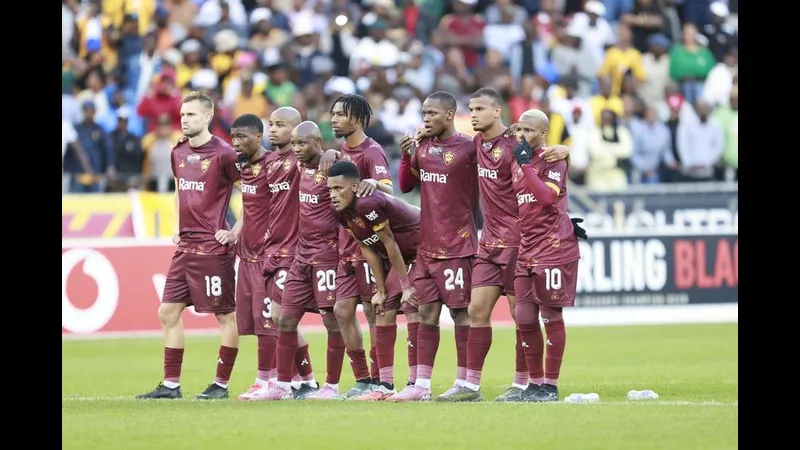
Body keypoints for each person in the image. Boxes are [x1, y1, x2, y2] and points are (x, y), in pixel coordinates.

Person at [438, 87, 573, 402]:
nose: (473, 115)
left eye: (479, 109)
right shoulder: (476, 143)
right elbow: (447, 137)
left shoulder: (516, 143)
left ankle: (524, 383)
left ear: (497, 111)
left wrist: (564, 150)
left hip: (519, 241)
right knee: (476, 309)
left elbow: (543, 158)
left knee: (521, 315)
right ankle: (470, 385)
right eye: (471, 109)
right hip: (489, 243)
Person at [136, 91, 240, 400]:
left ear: (207, 117)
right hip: (186, 247)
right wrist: (177, 226)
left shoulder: (224, 153)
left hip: (213, 248)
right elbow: (180, 189)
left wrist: (235, 232)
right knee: (167, 312)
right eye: (182, 115)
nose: (184, 120)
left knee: (225, 317)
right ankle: (171, 386)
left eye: (191, 114)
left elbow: (249, 192)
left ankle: (220, 385)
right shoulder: (178, 150)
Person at [220, 110, 319, 401]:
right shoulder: (265, 163)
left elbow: (322, 159)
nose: (273, 129)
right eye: (271, 125)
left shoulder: (299, 162)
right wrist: (236, 232)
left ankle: (268, 381)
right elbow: (254, 206)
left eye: (280, 125)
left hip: (283, 253)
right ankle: (305, 380)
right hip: (255, 253)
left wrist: (329, 154)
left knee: (274, 319)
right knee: (276, 321)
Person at [390, 91, 479, 402]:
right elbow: (406, 185)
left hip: (458, 245)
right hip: (427, 247)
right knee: (426, 312)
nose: (426, 118)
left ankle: (467, 383)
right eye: (424, 113)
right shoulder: (424, 147)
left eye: (432, 113)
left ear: (450, 114)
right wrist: (406, 155)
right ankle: (422, 385)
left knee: (460, 313)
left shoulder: (469, 148)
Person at [258, 121, 346, 401]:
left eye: (302, 143)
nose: (296, 148)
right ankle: (283, 386)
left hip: (327, 257)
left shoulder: (333, 168)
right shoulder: (298, 167)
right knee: (285, 319)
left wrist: (335, 153)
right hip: (301, 256)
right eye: (294, 143)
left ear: (318, 142)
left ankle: (331, 386)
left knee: (331, 322)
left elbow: (352, 174)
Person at [327, 161, 421, 401]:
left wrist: (405, 285)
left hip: (422, 246)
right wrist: (380, 289)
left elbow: (389, 242)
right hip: (401, 253)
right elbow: (366, 246)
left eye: (338, 189)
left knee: (412, 308)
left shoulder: (367, 203)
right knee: (383, 308)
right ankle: (386, 386)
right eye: (330, 189)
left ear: (355, 186)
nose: (333, 195)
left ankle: (416, 384)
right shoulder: (340, 210)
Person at [323, 94, 396, 398]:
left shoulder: (372, 151)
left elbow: (389, 189)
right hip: (346, 246)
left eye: (340, 114)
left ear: (357, 119)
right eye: (333, 114)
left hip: (369, 247)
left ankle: (381, 380)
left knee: (372, 311)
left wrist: (375, 184)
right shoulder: (341, 151)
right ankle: (363, 378)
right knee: (341, 311)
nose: (333, 119)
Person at [512, 109, 582, 402]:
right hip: (526, 247)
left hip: (553, 248)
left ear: (543, 133)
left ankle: (550, 386)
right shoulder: (515, 160)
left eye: (529, 131)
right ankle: (535, 384)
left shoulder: (554, 159)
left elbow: (547, 197)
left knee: (551, 315)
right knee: (524, 317)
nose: (522, 136)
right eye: (519, 130)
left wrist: (527, 165)